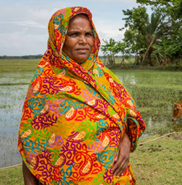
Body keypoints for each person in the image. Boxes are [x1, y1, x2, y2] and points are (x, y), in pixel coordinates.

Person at [17, 6, 145, 185]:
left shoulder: (103, 76)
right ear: (59, 38)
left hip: (115, 178)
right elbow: (31, 143)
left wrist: (125, 139)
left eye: (88, 34)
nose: (83, 40)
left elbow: (128, 114)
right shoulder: (45, 83)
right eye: (74, 34)